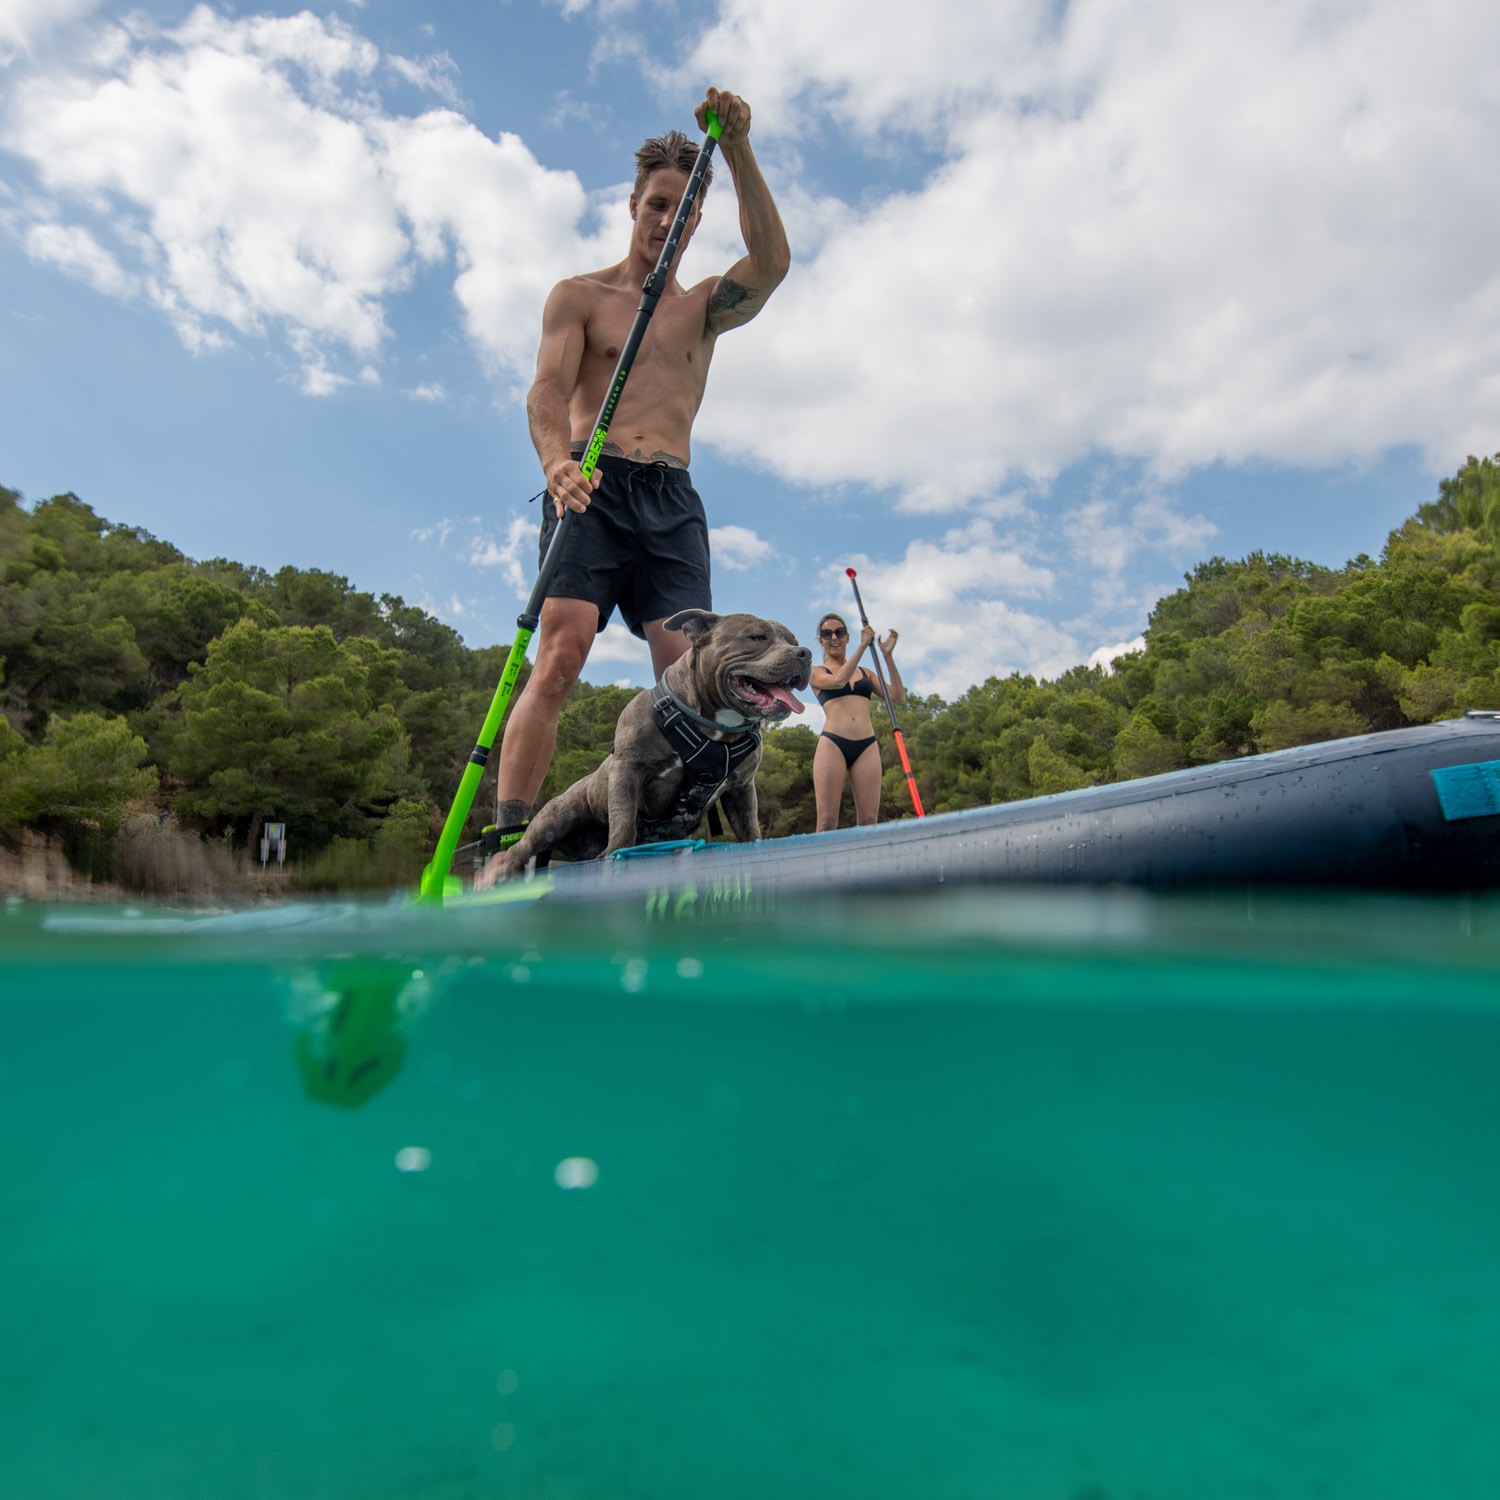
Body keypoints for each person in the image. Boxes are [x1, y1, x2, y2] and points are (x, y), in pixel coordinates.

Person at [482, 86, 790, 875]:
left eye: (681, 211)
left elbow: (773, 264)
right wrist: (555, 461)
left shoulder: (702, 309)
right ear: (632, 205)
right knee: (560, 654)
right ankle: (509, 840)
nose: (666, 220)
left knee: (686, 677)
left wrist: (743, 145)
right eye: (656, 204)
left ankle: (681, 832)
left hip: (670, 499)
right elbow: (545, 391)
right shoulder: (580, 296)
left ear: (695, 220)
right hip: (590, 486)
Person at [811, 612, 906, 831]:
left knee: (869, 820)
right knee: (826, 821)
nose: (834, 637)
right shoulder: (815, 672)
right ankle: (825, 864)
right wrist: (863, 646)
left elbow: (897, 696)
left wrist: (887, 656)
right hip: (833, 744)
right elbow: (838, 680)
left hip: (867, 745)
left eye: (839, 632)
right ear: (821, 640)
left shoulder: (866, 673)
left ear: (846, 637)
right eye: (827, 633)